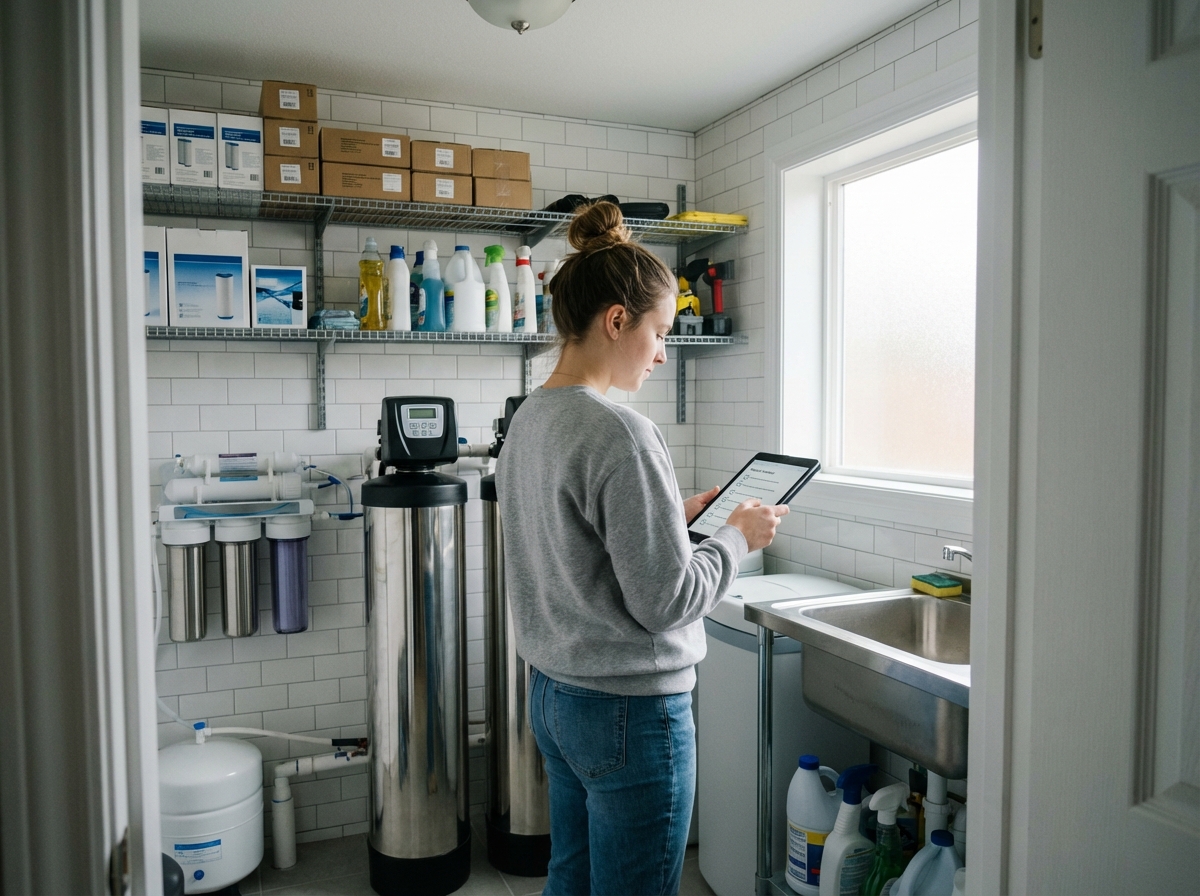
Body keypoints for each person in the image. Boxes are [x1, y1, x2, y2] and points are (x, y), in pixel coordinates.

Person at [496, 202, 788, 895]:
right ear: (616, 320)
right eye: (659, 332)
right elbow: (667, 602)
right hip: (629, 711)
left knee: (570, 877)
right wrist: (736, 538)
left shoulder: (529, 418)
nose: (662, 354)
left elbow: (570, 537)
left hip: (556, 696)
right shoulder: (622, 432)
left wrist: (671, 518)